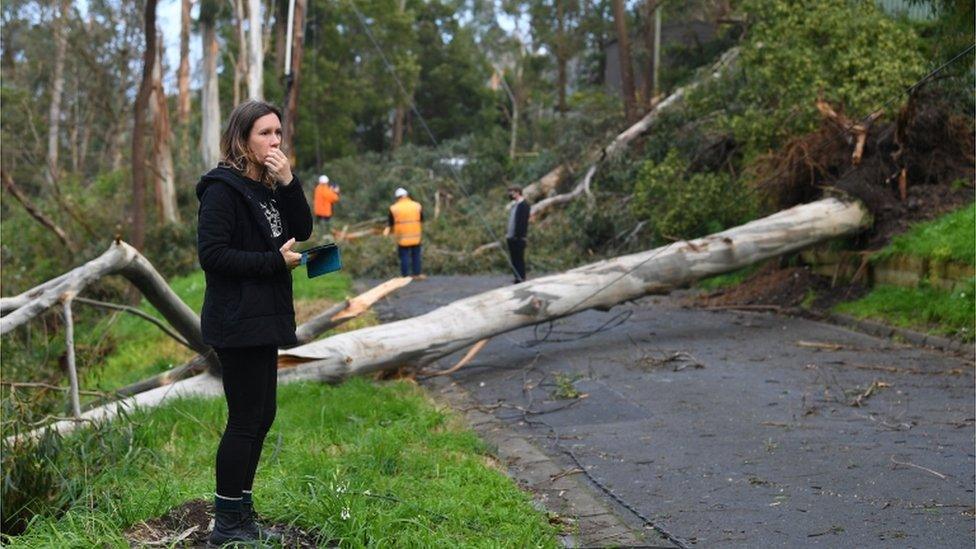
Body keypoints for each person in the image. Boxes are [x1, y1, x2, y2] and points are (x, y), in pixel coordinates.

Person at [196, 100, 312, 546]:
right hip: (237, 319)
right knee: (245, 419)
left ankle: (242, 513)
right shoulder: (221, 190)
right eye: (265, 133)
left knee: (263, 415)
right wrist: (272, 262)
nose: (275, 141)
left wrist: (288, 181)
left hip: (264, 316)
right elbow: (213, 255)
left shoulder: (268, 187)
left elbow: (301, 229)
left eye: (278, 133)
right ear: (242, 138)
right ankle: (226, 525)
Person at [384, 187, 424, 278]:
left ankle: (405, 275)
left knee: (404, 256)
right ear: (407, 195)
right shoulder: (417, 205)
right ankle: (417, 273)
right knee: (416, 255)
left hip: (402, 236)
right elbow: (421, 219)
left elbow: (391, 223)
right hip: (415, 235)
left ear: (397, 197)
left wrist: (387, 232)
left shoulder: (394, 208)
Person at [506, 185, 530, 283]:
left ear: (517, 192)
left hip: (519, 237)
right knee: (514, 259)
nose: (510, 194)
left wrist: (519, 236)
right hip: (511, 236)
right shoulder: (514, 205)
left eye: (511, 192)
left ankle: (521, 278)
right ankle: (517, 277)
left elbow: (522, 222)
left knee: (519, 258)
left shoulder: (524, 205)